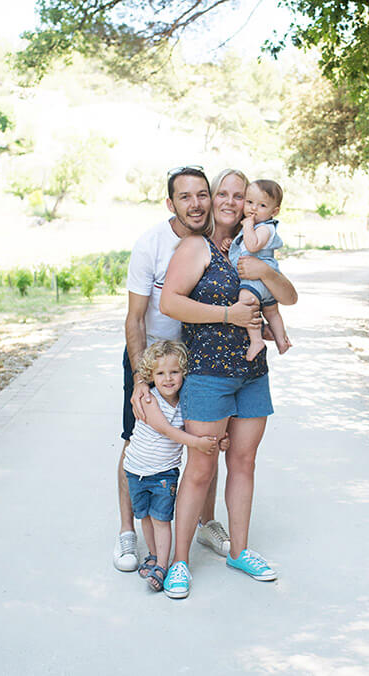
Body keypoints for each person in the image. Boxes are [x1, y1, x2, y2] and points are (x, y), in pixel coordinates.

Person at [159, 168, 298, 599]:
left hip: (251, 376)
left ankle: (238, 551)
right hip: (207, 376)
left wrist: (262, 270)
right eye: (223, 192)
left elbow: (288, 296)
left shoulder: (249, 247)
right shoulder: (195, 246)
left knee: (243, 464)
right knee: (200, 468)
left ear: (248, 203)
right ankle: (178, 562)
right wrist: (226, 316)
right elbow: (170, 302)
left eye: (240, 195)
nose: (230, 201)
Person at [115, 166, 233, 571]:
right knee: (137, 440)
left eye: (202, 195)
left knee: (207, 440)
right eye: (185, 197)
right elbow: (135, 319)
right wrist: (140, 379)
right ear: (171, 203)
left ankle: (207, 522)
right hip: (150, 357)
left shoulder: (217, 239)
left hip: (198, 359)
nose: (196, 204)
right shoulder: (151, 244)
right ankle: (128, 532)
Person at [124, 340, 227, 591]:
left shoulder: (186, 403)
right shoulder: (149, 400)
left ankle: (162, 564)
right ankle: (152, 555)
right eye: (160, 373)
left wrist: (218, 439)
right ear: (151, 376)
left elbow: (197, 427)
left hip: (163, 473)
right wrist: (198, 443)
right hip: (136, 470)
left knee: (161, 519)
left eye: (174, 372)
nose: (168, 379)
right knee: (145, 517)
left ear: (184, 372)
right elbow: (168, 430)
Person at [223, 179, 291, 361]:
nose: (253, 208)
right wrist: (232, 244)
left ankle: (256, 340)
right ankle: (281, 340)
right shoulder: (256, 227)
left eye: (261, 205)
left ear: (274, 211)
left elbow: (252, 246)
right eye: (249, 202)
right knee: (271, 311)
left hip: (257, 279)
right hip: (266, 283)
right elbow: (244, 245)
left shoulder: (265, 228)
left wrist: (246, 226)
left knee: (246, 301)